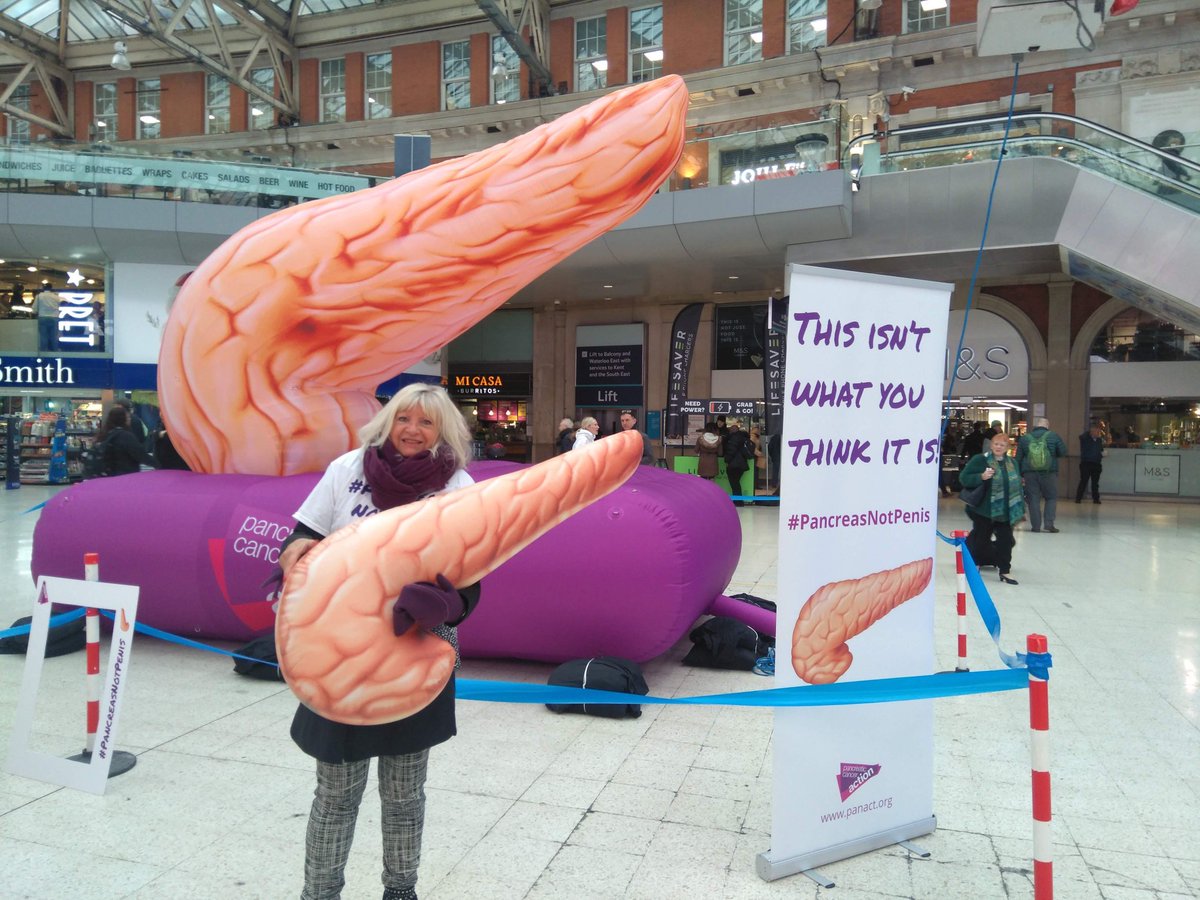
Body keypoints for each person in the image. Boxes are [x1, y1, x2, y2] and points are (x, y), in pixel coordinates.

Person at [277, 383, 480, 900]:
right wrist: (296, 549)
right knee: (336, 793)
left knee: (405, 793)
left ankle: (401, 890)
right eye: (404, 418)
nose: (413, 430)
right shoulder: (347, 470)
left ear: (443, 432)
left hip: (416, 655)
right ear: (388, 420)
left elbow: (472, 581)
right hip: (341, 652)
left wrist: (447, 604)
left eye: (427, 423)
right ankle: (319, 893)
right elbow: (303, 533)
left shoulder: (456, 487)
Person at [959, 431, 1025, 585]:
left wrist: (1020, 507)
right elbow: (964, 478)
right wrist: (981, 477)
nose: (998, 447)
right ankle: (974, 565)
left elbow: (1016, 487)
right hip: (984, 510)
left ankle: (1005, 571)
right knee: (980, 540)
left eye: (1002, 445)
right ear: (991, 445)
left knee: (1006, 541)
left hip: (1006, 511)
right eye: (996, 444)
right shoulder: (980, 460)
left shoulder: (1012, 463)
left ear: (1007, 447)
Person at [1016, 416, 1068, 533]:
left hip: (1029, 473)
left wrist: (1019, 474)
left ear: (1036, 426)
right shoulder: (1054, 436)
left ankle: (1035, 526)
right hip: (1049, 473)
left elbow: (1018, 458)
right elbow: (1063, 452)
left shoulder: (1025, 438)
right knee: (1051, 497)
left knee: (1033, 499)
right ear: (1047, 426)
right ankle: (1049, 524)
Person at [96, 407, 155, 476]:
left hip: (108, 475)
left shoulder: (104, 434)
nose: (129, 420)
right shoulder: (126, 436)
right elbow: (141, 455)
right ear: (122, 420)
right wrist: (159, 465)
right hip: (125, 476)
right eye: (128, 418)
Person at [722, 417, 754, 505]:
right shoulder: (743, 438)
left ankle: (738, 501)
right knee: (736, 482)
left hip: (733, 464)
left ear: (732, 430)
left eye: (731, 429)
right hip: (742, 464)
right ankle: (738, 500)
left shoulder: (733, 438)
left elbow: (731, 451)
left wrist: (727, 461)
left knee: (734, 483)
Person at [1076, 423, 1105, 504]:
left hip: (1096, 463)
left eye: (1099, 432)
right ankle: (1078, 498)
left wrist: (1102, 454)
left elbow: (1100, 449)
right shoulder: (1085, 439)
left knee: (1095, 483)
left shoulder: (1099, 440)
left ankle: (1096, 499)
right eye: (1097, 432)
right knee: (1084, 481)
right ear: (1092, 432)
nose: (1098, 434)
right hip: (1086, 463)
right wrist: (1089, 432)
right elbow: (1081, 437)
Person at [34, 286, 60, 352]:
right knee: (54, 336)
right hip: (54, 317)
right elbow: (58, 306)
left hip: (43, 316)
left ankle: (43, 352)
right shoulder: (56, 296)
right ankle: (54, 351)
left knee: (43, 336)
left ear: (43, 289)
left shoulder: (39, 296)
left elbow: (35, 308)